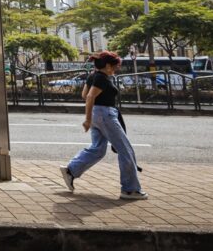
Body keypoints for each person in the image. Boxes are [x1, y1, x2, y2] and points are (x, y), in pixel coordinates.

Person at [59, 50, 147, 200]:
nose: (116, 69)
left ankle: (71, 170)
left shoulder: (94, 76)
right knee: (125, 150)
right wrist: (87, 120)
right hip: (105, 114)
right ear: (107, 65)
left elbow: (84, 95)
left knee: (98, 149)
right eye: (114, 66)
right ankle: (130, 189)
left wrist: (91, 117)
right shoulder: (102, 78)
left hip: (97, 114)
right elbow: (89, 96)